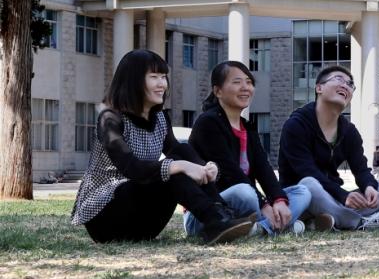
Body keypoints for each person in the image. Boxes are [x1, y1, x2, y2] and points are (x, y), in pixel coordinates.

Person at [71, 49, 253, 244]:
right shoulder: (110, 119)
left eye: (164, 77)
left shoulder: (160, 117)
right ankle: (215, 221)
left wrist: (204, 167)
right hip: (106, 217)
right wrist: (181, 166)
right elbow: (132, 168)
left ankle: (221, 214)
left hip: (144, 223)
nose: (162, 84)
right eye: (154, 77)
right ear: (134, 80)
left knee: (182, 152)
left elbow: (178, 151)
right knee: (172, 171)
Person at [187, 61, 312, 237]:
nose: (245, 87)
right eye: (237, 82)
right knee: (245, 192)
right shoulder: (208, 123)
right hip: (207, 212)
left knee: (302, 191)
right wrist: (264, 204)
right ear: (218, 91)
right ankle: (280, 226)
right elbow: (230, 173)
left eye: (249, 82)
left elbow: (263, 169)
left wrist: (278, 200)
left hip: (248, 204)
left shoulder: (247, 126)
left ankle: (261, 228)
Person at [278, 65, 379, 231]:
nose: (345, 86)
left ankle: (325, 220)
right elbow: (307, 171)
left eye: (350, 84)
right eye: (339, 79)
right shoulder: (296, 125)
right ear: (319, 88)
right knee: (309, 184)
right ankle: (358, 222)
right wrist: (343, 196)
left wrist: (368, 186)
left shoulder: (349, 131)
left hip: (333, 198)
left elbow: (361, 170)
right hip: (300, 198)